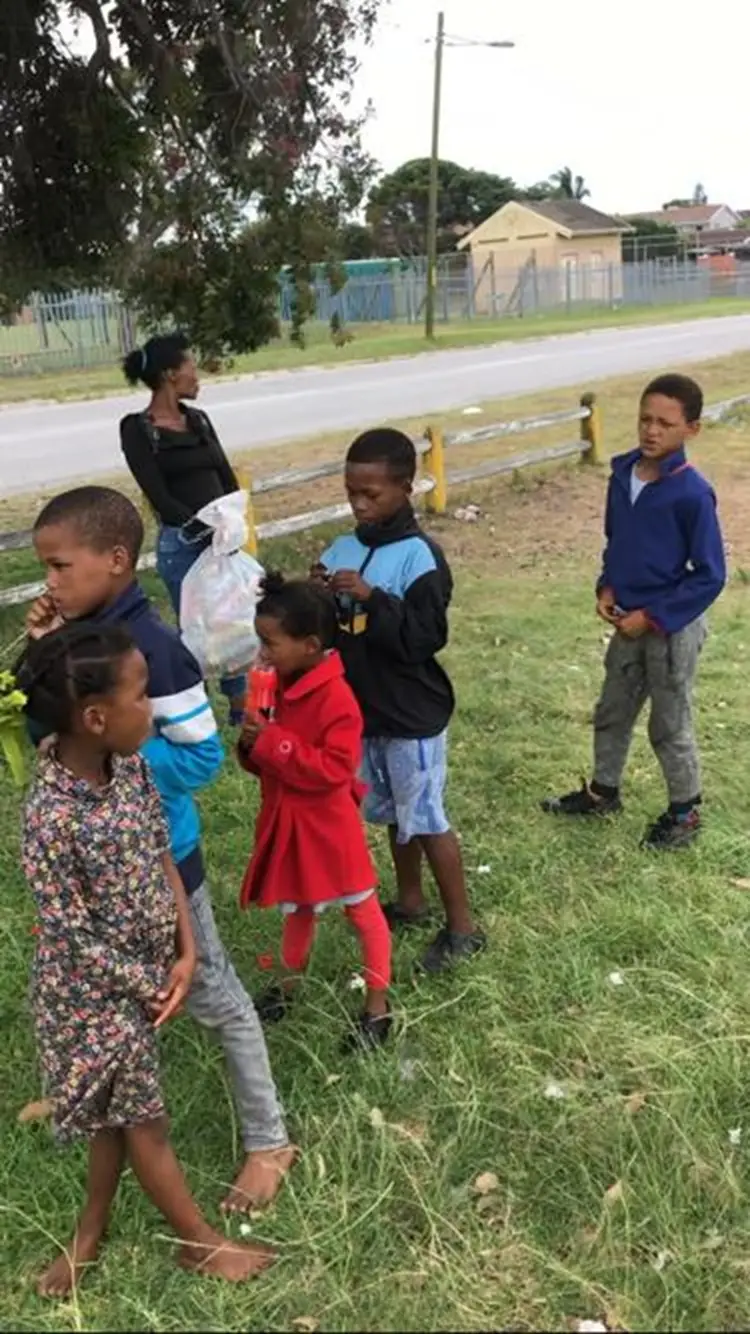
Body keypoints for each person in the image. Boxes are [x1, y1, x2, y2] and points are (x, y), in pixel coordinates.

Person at [24, 486, 296, 1213]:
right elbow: (47, 732)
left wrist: (118, 767)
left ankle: (269, 1139)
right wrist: (42, 650)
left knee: (213, 994)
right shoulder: (78, 643)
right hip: (94, 867)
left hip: (160, 862)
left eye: (60, 566)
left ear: (116, 560)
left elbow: (201, 757)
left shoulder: (155, 654)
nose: (50, 581)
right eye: (46, 568)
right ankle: (98, 1097)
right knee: (108, 998)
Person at [19, 623, 275, 1296]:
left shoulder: (131, 767)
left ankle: (89, 1234)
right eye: (141, 696)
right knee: (143, 1123)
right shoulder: (50, 816)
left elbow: (164, 854)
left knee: (115, 1118)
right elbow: (71, 935)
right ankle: (198, 1243)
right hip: (91, 998)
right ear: (96, 718)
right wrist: (154, 980)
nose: (152, 709)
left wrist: (187, 951)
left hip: (152, 976)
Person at [315, 427, 486, 974]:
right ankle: (410, 901)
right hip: (364, 712)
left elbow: (423, 639)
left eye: (372, 494)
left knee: (427, 818)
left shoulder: (421, 558)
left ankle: (463, 928)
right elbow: (326, 629)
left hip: (412, 714)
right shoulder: (343, 549)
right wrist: (314, 595)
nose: (360, 504)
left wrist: (373, 598)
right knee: (392, 812)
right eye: (352, 493)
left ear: (405, 488)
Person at [542, 372, 726, 849]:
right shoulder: (622, 474)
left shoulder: (692, 493)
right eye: (645, 419)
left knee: (669, 722)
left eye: (665, 423)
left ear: (691, 429)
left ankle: (684, 812)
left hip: (670, 628)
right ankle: (602, 793)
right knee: (612, 709)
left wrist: (653, 616)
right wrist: (607, 586)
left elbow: (710, 575)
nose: (651, 431)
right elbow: (617, 542)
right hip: (626, 620)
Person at [238, 572, 392, 1053]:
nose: (262, 654)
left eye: (270, 643)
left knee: (362, 909)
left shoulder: (337, 699)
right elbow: (264, 761)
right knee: (298, 905)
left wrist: (274, 742)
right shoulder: (278, 685)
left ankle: (377, 1007)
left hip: (328, 827)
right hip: (289, 821)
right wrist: (252, 742)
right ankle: (287, 988)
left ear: (309, 646)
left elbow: (335, 769)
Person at [119, 330, 245, 722]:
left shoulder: (199, 420)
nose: (198, 375)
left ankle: (241, 708)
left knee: (233, 622)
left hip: (221, 539)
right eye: (192, 367)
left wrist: (230, 519)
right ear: (171, 374)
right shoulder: (138, 429)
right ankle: (195, 706)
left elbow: (226, 476)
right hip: (184, 544)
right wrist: (202, 529)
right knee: (196, 628)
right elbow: (158, 495)